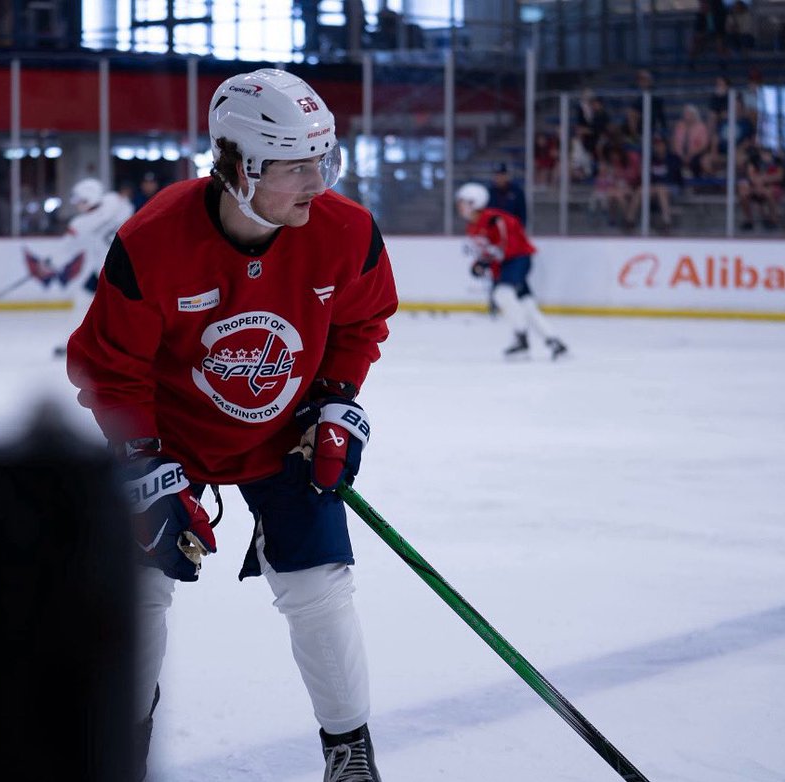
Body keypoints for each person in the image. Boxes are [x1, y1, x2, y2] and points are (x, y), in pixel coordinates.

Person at [66, 68, 397, 781]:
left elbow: (361, 322)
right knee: (142, 584)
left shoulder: (347, 233)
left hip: (285, 435)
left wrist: (337, 401)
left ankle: (351, 760)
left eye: (325, 161)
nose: (318, 182)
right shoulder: (154, 240)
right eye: (297, 167)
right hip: (169, 440)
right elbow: (107, 365)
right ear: (239, 167)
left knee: (318, 585)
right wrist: (139, 465)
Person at [455, 182, 567, 360]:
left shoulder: (494, 220)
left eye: (463, 202)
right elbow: (487, 251)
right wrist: (479, 264)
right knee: (526, 303)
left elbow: (504, 245)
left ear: (474, 202)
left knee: (502, 294)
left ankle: (521, 338)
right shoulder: (473, 227)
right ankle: (554, 341)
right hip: (504, 264)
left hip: (517, 260)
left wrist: (485, 262)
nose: (459, 206)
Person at [51, 177, 134, 357]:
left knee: (87, 303)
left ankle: (72, 341)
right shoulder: (117, 202)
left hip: (107, 271)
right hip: (124, 267)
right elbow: (127, 205)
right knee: (88, 301)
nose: (77, 206)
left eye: (80, 201)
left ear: (89, 198)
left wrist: (51, 263)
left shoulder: (80, 224)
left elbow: (66, 247)